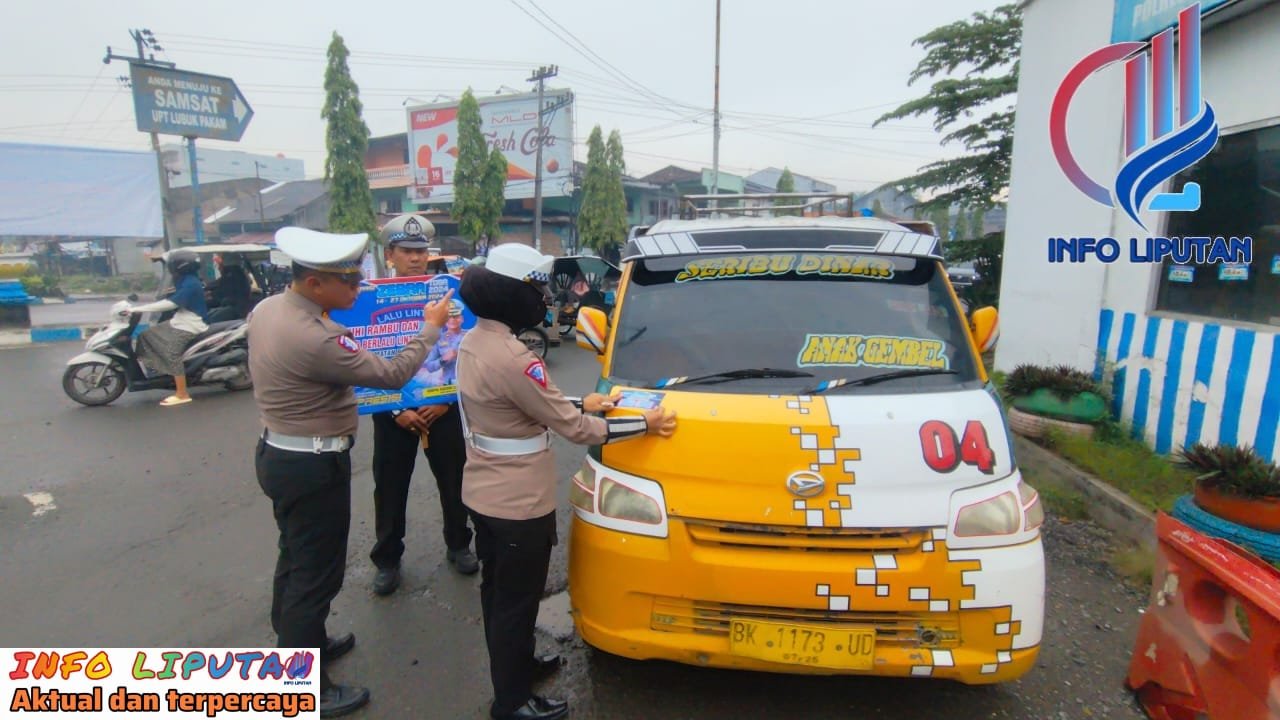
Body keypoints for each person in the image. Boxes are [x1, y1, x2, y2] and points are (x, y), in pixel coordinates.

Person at [456, 242, 678, 720]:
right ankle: (511, 701)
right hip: (518, 505)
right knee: (515, 601)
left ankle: (515, 665)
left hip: (483, 492)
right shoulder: (516, 357)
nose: (543, 298)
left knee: (498, 593)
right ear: (512, 295)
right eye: (535, 289)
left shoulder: (477, 341)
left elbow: (523, 405)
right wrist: (646, 424)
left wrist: (581, 400)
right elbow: (577, 430)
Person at [247, 225, 455, 718]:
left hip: (281, 453)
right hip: (311, 464)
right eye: (349, 282)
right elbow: (389, 376)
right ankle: (303, 686)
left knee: (294, 558)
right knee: (314, 577)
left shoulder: (269, 309)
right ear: (316, 283)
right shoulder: (316, 337)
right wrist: (430, 328)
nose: (359, 290)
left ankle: (300, 646)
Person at [369, 213, 478, 597]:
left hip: (442, 409)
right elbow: (369, 361)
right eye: (407, 251)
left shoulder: (450, 295)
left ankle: (459, 544)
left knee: (454, 482)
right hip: (392, 413)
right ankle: (387, 559)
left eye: (421, 251)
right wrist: (397, 410)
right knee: (390, 487)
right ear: (389, 255)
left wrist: (447, 403)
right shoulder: (370, 300)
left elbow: (464, 351)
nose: (415, 258)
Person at [133, 248, 209, 407]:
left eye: (172, 264)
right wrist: (157, 257)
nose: (169, 266)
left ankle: (182, 393)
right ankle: (156, 370)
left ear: (180, 266)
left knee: (172, 354)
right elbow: (169, 258)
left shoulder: (191, 283)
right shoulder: (184, 278)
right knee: (146, 335)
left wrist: (139, 309)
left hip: (191, 324)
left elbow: (171, 304)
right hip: (180, 319)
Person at [207, 253, 252, 322]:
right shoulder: (237, 274)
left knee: (210, 320)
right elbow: (219, 284)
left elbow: (224, 290)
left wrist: (212, 294)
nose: (219, 267)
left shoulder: (232, 275)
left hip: (236, 308)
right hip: (234, 305)